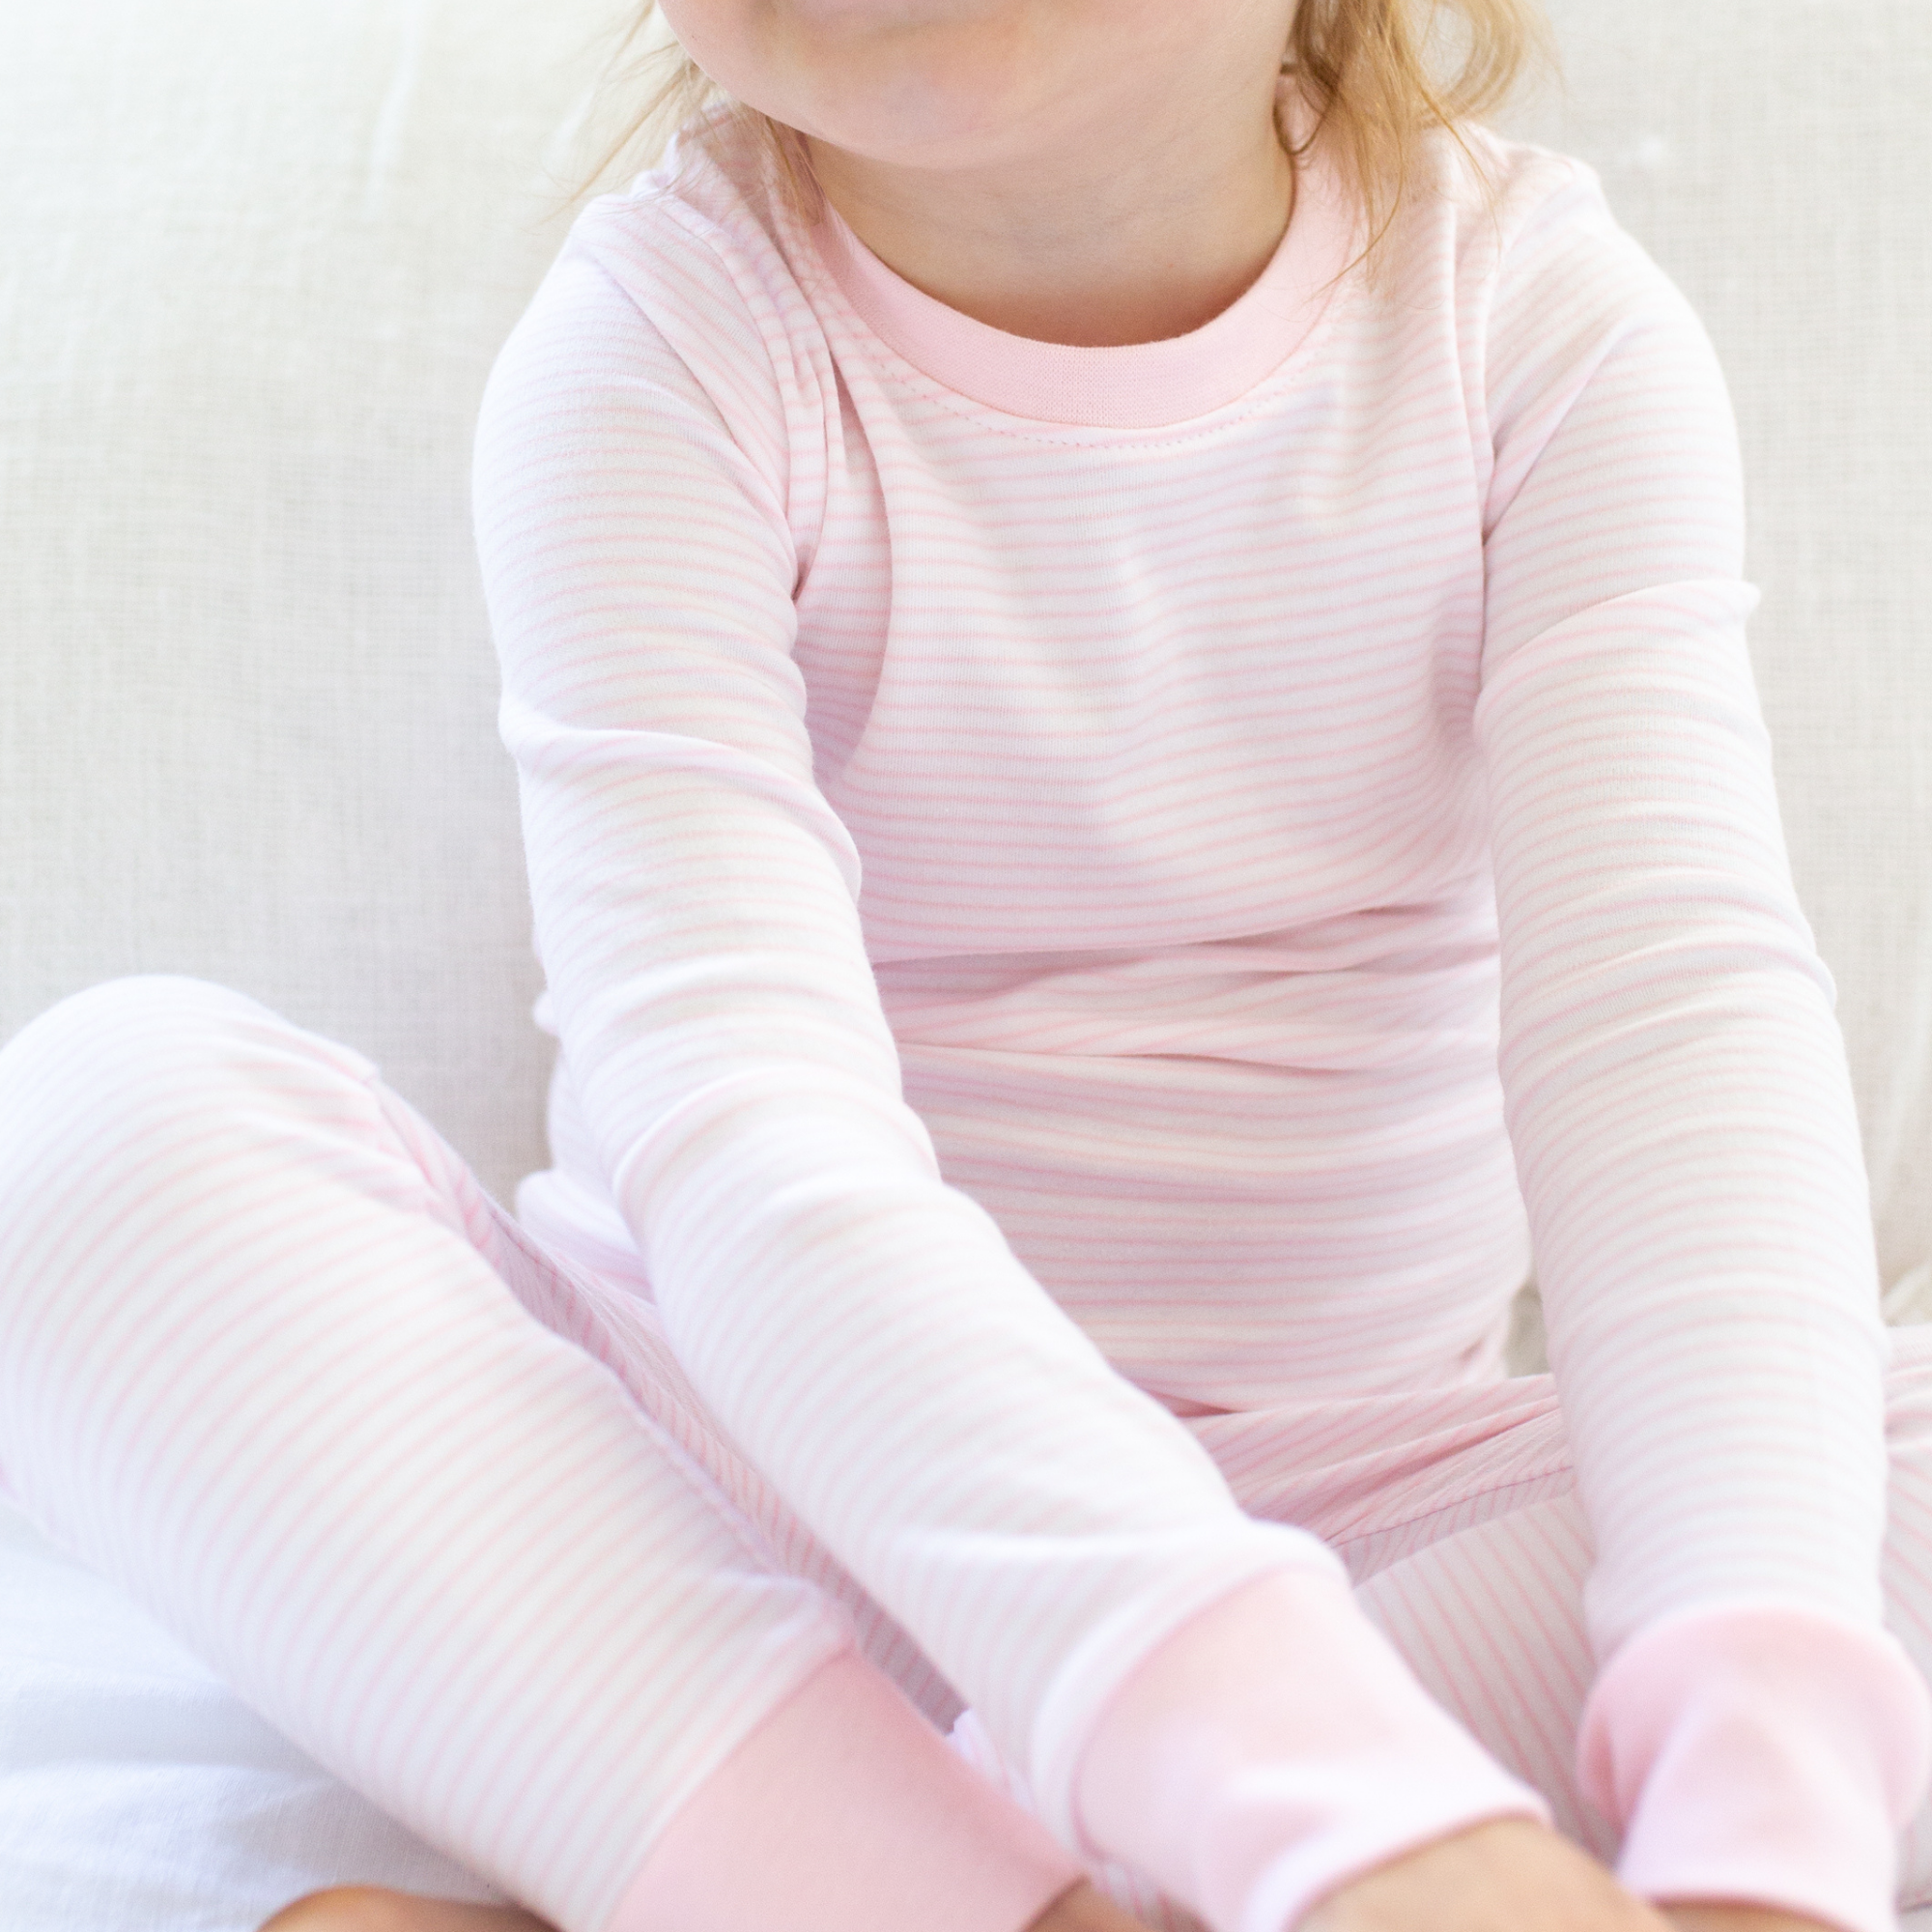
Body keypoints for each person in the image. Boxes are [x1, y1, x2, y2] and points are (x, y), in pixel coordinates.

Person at [1, 2, 1928, 1931]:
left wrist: (1763, 1826)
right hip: (734, 1528)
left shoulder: (1540, 333)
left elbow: (1673, 1030)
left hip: (1362, 1540)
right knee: (92, 1134)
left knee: (1820, 1450)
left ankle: (853, 1880)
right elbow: (747, 1147)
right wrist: (1367, 1826)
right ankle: (1029, 1872)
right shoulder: (659, 355)